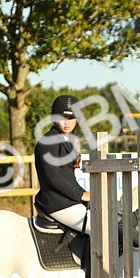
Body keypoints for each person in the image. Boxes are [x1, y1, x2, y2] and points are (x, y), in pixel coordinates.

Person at [34, 94, 91, 236]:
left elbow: (69, 178)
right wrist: (81, 194)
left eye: (71, 118)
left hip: (68, 200)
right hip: (57, 203)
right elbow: (53, 178)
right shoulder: (47, 142)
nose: (67, 122)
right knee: (101, 226)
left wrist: (85, 194)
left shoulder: (69, 141)